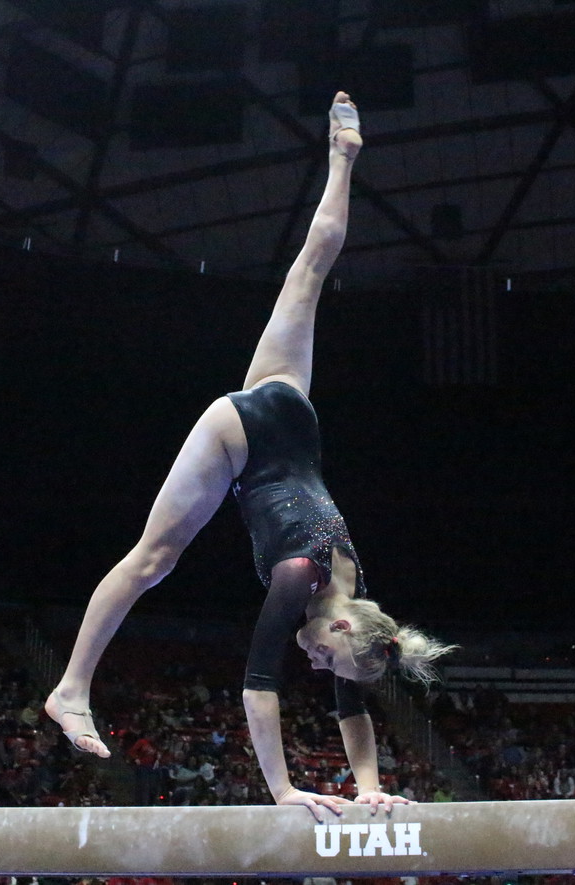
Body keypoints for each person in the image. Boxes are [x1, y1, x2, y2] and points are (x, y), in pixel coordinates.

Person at [46, 92, 455, 820]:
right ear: (337, 628)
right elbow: (258, 680)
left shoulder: (353, 595)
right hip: (243, 434)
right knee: (152, 560)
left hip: (293, 415)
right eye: (326, 658)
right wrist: (284, 790)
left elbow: (350, 705)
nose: (317, 663)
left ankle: (343, 156)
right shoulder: (302, 578)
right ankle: (70, 687)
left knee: (310, 270)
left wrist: (367, 788)